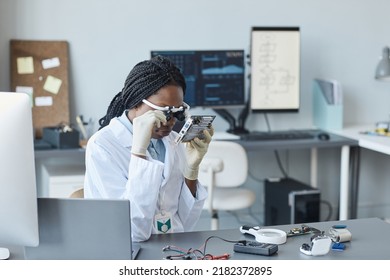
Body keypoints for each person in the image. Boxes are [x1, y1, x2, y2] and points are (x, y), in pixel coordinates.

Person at [84, 55, 213, 242]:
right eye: (164, 111)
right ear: (136, 102)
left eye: (176, 112)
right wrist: (138, 152)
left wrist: (191, 172)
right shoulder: (102, 146)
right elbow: (132, 231)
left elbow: (185, 223)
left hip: (171, 245)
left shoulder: (173, 141)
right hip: (124, 251)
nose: (170, 122)